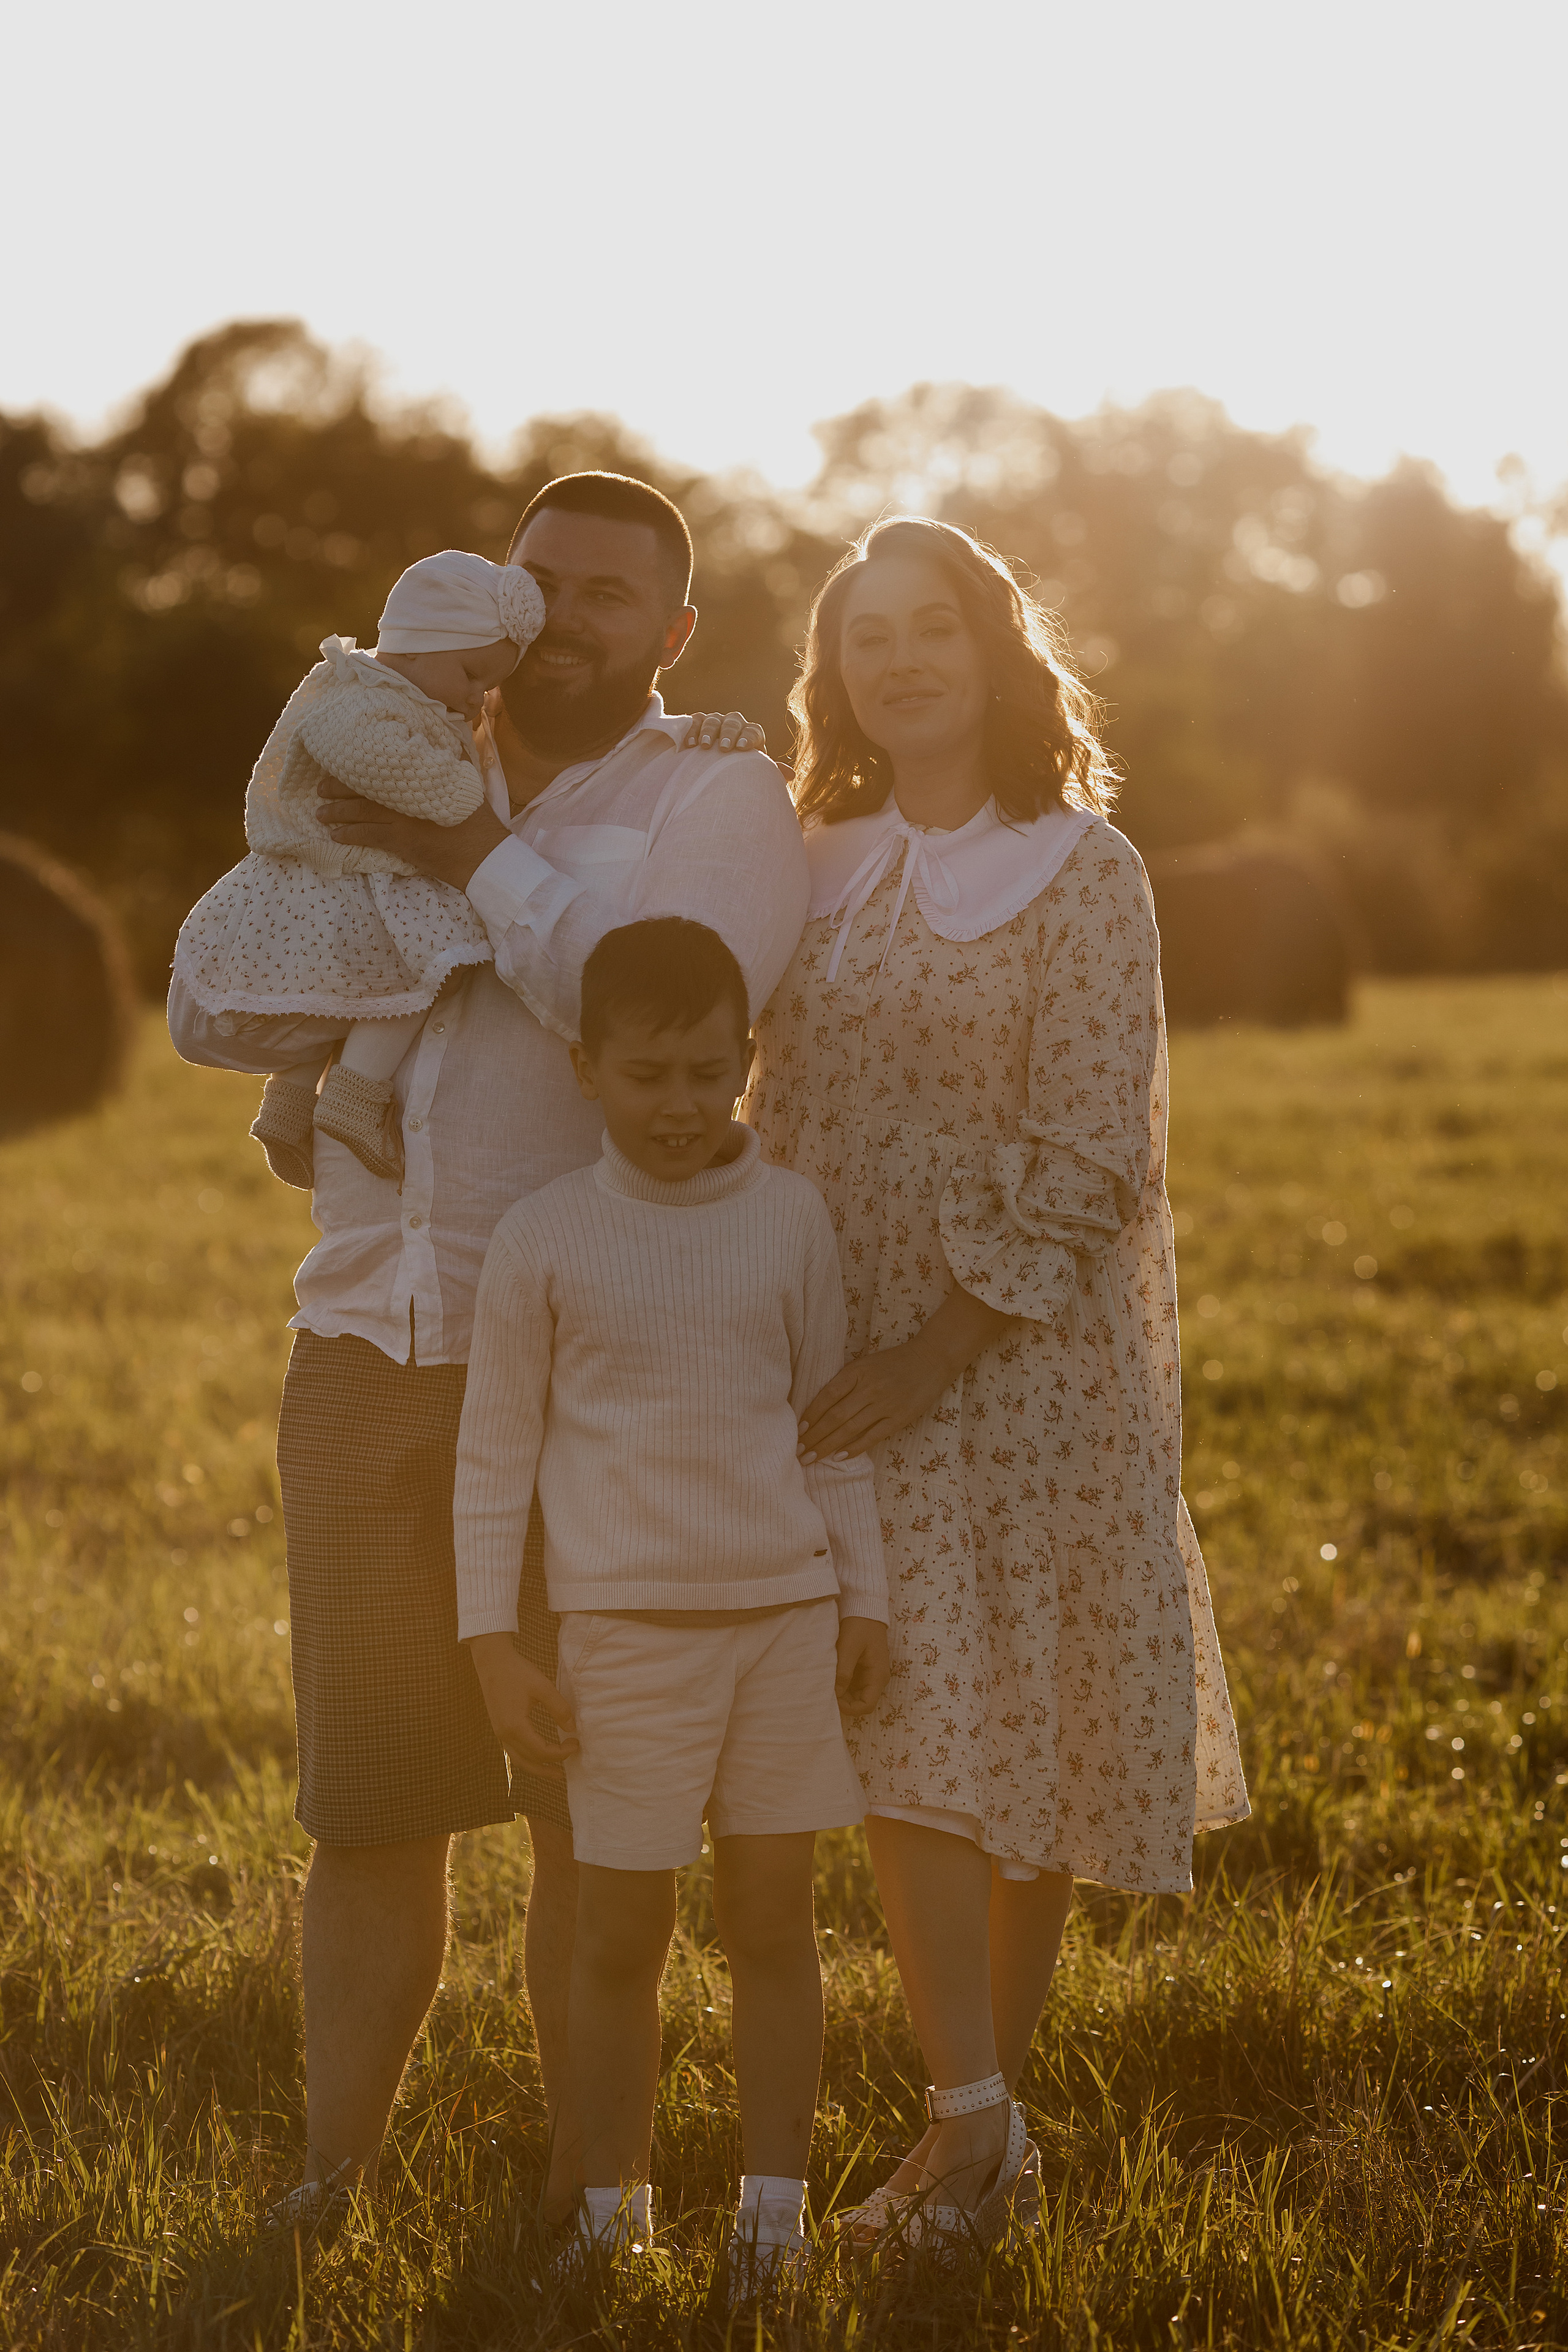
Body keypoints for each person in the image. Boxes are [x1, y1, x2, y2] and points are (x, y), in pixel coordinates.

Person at [167, 471, 804, 2233]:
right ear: (486, 596)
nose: (566, 616)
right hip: (371, 1347)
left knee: (586, 1821)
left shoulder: (716, 793)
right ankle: (330, 2181)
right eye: (543, 580)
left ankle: (592, 2193)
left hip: (607, 1376)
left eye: (614, 596)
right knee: (372, 1807)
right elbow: (219, 999)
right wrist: (420, 892)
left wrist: (471, 868)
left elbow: (668, 1003)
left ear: (673, 637)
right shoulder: (390, 757)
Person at [742, 516, 1250, 2255]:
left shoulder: (1082, 868)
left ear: (997, 645)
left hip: (1022, 1361)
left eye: (928, 625)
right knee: (911, 1740)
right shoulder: (805, 857)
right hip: (838, 1345)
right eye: (863, 635)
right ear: (838, 675)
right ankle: (978, 2132)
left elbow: (1095, 1148)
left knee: (1013, 1744)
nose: (896, 658)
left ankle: (971, 2140)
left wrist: (937, 1349)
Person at [454, 916, 889, 2286]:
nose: (682, 1105)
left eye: (709, 1071)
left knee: (773, 1922)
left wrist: (861, 1597)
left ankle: (773, 2220)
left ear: (747, 1062)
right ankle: (609, 2215)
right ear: (585, 1068)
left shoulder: (790, 1220)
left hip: (781, 1629)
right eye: (649, 1075)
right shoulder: (545, 1238)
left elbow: (831, 1431)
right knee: (616, 1932)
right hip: (620, 1645)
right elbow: (493, 1457)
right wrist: (490, 1646)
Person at [173, 551, 546, 1185]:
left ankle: (290, 1102)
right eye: (470, 673)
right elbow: (371, 754)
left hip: (344, 883)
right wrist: (460, 796)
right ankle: (355, 1095)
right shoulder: (362, 696)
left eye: (487, 686)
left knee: (349, 988)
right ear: (425, 643)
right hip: (337, 881)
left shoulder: (401, 694)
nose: (474, 698)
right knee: (436, 962)